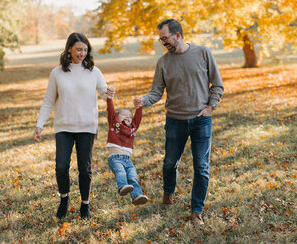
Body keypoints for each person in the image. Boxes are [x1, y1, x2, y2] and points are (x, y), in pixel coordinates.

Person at [134, 19, 224, 225]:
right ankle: (168, 193)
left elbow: (217, 85)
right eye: (161, 40)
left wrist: (211, 107)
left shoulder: (203, 53)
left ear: (177, 35)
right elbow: (156, 91)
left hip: (201, 120)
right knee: (169, 163)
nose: (163, 42)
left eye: (165, 38)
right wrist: (143, 101)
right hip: (175, 120)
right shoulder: (163, 62)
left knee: (201, 167)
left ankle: (196, 212)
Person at [33, 32, 114, 219]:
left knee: (84, 168)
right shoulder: (57, 73)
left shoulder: (94, 71)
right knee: (61, 167)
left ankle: (85, 205)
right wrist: (39, 124)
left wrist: (110, 91)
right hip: (63, 127)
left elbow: (105, 93)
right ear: (69, 49)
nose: (82, 53)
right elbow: (48, 101)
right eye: (79, 49)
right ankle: (64, 199)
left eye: (85, 50)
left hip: (86, 126)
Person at [105, 91, 148, 205]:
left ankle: (137, 196)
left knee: (133, 177)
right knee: (121, 172)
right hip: (115, 158)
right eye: (124, 115)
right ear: (117, 117)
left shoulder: (132, 128)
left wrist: (139, 108)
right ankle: (122, 186)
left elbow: (137, 119)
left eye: (130, 116)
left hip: (128, 160)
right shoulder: (114, 123)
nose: (128, 117)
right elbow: (111, 110)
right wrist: (109, 98)